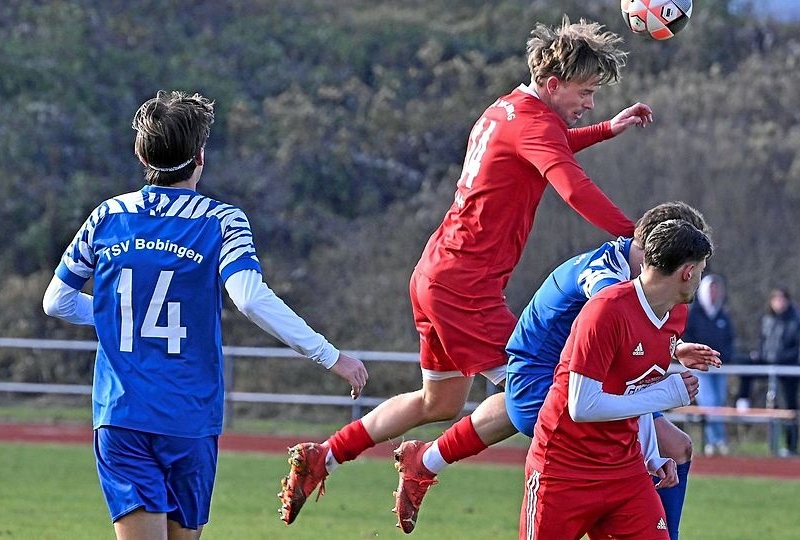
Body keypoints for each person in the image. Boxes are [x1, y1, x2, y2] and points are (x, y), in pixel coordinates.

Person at [278, 17, 653, 526]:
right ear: (553, 84)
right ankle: (425, 461)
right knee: (535, 392)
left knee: (440, 400)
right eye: (585, 93)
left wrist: (608, 129)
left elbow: (549, 145)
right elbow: (572, 187)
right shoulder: (537, 125)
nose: (589, 104)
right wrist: (639, 240)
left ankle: (327, 455)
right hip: (463, 288)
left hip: (436, 272)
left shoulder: (508, 109)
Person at [42, 90, 367, 540]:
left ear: (142, 155)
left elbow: (56, 301)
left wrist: (118, 319)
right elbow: (250, 299)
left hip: (120, 415)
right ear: (199, 157)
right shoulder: (221, 221)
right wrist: (330, 355)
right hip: (189, 420)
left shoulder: (107, 216)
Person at [390, 201, 719, 537]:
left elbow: (633, 348)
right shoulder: (607, 283)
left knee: (670, 445)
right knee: (579, 428)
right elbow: (616, 331)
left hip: (572, 372)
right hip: (536, 372)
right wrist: (660, 396)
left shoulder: (650, 295)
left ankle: (427, 460)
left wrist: (671, 349)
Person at [522, 219, 713, 540]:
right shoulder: (605, 310)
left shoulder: (674, 315)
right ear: (688, 272)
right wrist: (667, 395)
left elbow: (634, 388)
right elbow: (582, 406)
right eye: (702, 269)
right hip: (563, 472)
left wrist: (651, 454)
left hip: (624, 471)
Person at [682, 273, 735, 456]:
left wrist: (725, 357)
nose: (713, 293)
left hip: (719, 368)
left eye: (716, 289)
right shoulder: (694, 315)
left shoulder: (722, 315)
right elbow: (686, 339)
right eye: (710, 289)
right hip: (701, 368)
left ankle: (718, 440)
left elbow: (729, 340)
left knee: (718, 403)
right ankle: (715, 441)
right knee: (709, 404)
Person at [758, 287, 800, 455]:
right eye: (775, 299)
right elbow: (763, 343)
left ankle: (792, 445)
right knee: (773, 407)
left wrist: (781, 358)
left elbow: (799, 347)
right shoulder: (767, 320)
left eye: (782, 299)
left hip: (789, 371)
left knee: (790, 408)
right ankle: (773, 446)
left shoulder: (795, 321)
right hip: (771, 371)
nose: (779, 303)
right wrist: (764, 357)